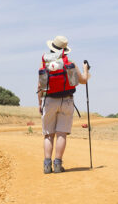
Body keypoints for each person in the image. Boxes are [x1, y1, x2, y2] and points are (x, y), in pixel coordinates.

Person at [37, 35, 90, 174]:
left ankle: (47, 165)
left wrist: (40, 103)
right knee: (61, 133)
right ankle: (58, 165)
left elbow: (40, 87)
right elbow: (83, 80)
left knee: (49, 135)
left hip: (49, 101)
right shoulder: (69, 63)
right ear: (65, 50)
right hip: (66, 100)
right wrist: (86, 69)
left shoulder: (45, 64)